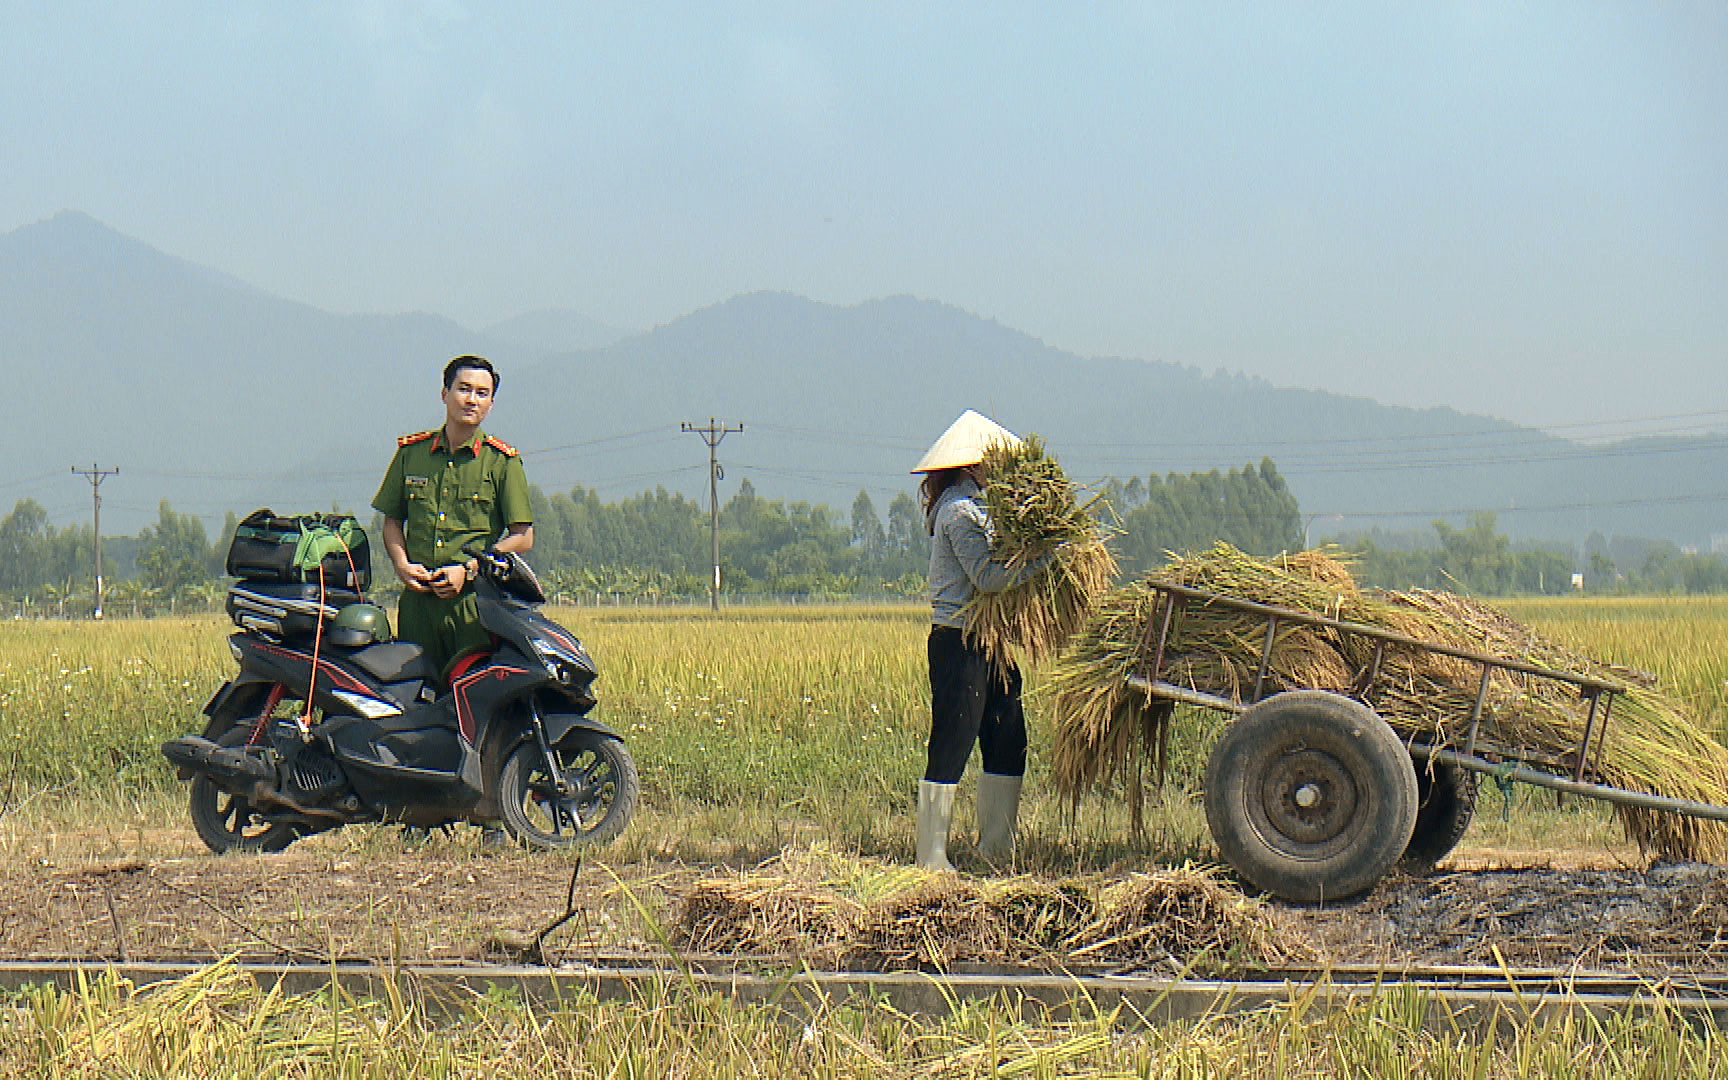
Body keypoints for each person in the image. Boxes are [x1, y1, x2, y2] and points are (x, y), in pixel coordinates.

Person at [909, 409, 1045, 872]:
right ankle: (931, 856)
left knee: (1009, 735)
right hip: (959, 640)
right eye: (993, 463)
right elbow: (987, 578)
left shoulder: (986, 510)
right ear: (972, 466)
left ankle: (996, 849)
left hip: (993, 640)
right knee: (954, 737)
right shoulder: (959, 512)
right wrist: (1041, 561)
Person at [371, 355, 534, 683]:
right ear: (444, 394)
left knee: (470, 697)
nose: (472, 399)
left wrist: (469, 570)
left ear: (491, 403)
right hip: (418, 604)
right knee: (413, 697)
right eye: (464, 389)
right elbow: (392, 521)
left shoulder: (501, 462)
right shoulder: (411, 453)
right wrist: (402, 565)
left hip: (473, 607)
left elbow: (523, 536)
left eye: (482, 393)